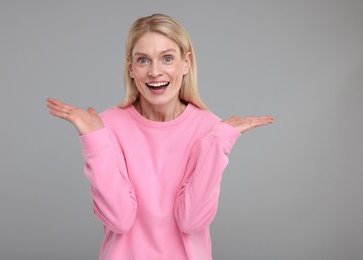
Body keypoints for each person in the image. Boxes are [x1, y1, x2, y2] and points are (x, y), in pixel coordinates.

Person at [46, 13, 273, 260]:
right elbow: (119, 220)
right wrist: (94, 140)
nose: (155, 71)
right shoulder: (105, 125)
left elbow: (191, 221)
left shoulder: (210, 128)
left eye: (167, 58)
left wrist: (219, 142)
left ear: (186, 63)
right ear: (131, 67)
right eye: (143, 60)